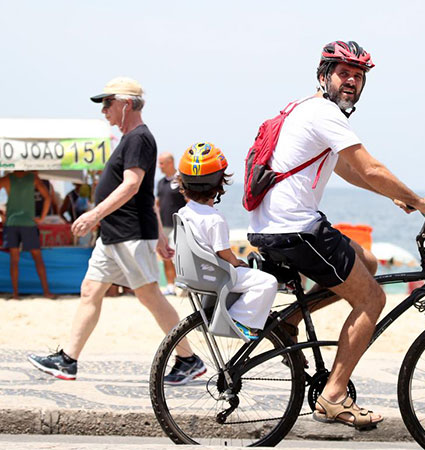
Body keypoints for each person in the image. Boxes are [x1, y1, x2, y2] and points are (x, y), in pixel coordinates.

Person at [247, 40, 425, 429]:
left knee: (367, 262)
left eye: (358, 76)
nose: (351, 81)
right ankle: (334, 396)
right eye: (343, 73)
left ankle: (289, 323)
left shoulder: (306, 110)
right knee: (373, 298)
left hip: (279, 225)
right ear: (324, 76)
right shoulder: (325, 113)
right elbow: (369, 166)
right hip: (296, 229)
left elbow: (346, 169)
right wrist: (421, 201)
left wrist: (397, 197)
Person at [27, 77, 202, 383]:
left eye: (108, 103)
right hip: (116, 234)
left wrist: (93, 214)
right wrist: (160, 235)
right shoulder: (130, 139)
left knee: (150, 297)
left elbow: (133, 186)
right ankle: (68, 360)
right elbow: (148, 196)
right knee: (90, 291)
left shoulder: (139, 138)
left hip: (130, 233)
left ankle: (188, 358)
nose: (104, 110)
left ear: (127, 104)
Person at [177, 142, 278, 341]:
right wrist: (236, 262)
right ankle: (239, 320)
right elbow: (223, 252)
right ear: (218, 184)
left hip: (196, 272)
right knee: (267, 282)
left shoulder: (184, 212)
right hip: (215, 275)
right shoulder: (214, 218)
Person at [0, 171, 57, 299]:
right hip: (28, 222)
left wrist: (2, 214)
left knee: (14, 260)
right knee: (38, 258)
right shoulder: (33, 178)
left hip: (11, 222)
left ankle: (15, 294)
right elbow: (47, 197)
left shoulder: (7, 179)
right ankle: (46, 292)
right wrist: (42, 217)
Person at [156, 152, 187, 296]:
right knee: (165, 256)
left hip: (178, 225)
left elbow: (189, 201)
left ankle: (184, 286)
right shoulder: (161, 183)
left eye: (161, 163)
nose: (159, 166)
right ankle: (170, 285)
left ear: (170, 162)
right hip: (164, 225)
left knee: (180, 257)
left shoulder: (181, 180)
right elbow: (158, 203)